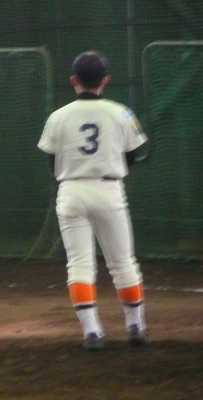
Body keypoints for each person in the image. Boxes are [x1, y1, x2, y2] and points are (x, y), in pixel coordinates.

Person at [37, 51, 148, 351]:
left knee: (80, 264)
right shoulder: (121, 112)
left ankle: (92, 332)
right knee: (123, 263)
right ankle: (135, 326)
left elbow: (52, 162)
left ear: (73, 80)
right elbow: (132, 156)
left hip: (71, 191)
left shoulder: (58, 116)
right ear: (105, 80)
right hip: (108, 189)